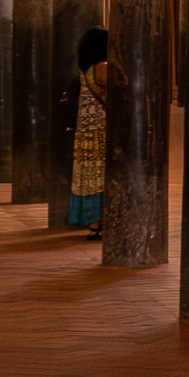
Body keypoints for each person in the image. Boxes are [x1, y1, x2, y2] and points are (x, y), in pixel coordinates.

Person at [70, 27, 110, 238]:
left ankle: (94, 221)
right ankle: (98, 222)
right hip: (99, 131)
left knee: (90, 176)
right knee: (100, 175)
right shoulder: (103, 68)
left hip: (86, 129)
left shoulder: (85, 68)